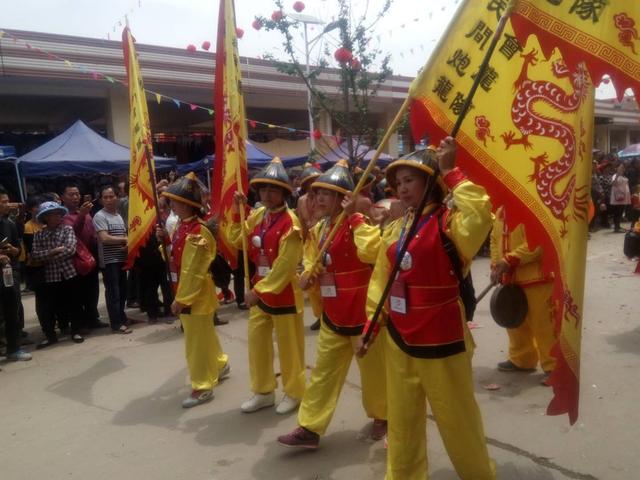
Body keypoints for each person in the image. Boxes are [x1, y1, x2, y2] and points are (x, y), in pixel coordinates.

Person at [360, 140, 495, 480]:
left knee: (457, 419)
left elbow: (481, 215)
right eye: (399, 182)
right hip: (399, 339)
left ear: (430, 182)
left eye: (410, 180)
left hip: (442, 338)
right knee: (403, 422)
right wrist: (372, 324)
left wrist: (452, 171)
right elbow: (380, 279)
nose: (402, 188)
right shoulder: (397, 227)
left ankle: (479, 475)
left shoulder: (450, 224)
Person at [277, 160, 387, 449]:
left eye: (327, 194)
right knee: (323, 374)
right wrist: (307, 276)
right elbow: (313, 262)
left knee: (374, 371)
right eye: (317, 194)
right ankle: (310, 427)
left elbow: (373, 252)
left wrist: (354, 218)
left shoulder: (357, 224)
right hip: (333, 313)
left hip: (362, 312)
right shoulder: (318, 230)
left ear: (343, 198)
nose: (319, 199)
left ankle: (383, 415)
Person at [229, 157, 306, 415]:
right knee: (257, 343)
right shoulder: (258, 215)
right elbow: (237, 241)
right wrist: (237, 213)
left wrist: (258, 290)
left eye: (273, 189)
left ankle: (294, 392)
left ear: (284, 193)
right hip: (259, 293)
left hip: (281, 293)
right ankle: (263, 391)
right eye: (263, 189)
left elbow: (285, 267)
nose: (267, 194)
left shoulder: (291, 224)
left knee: (289, 348)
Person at [159, 172, 230, 408]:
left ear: (189, 205)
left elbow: (194, 270)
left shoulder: (197, 232)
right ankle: (220, 364)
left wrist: (182, 299)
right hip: (192, 291)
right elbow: (178, 259)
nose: (172, 204)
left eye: (176, 201)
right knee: (204, 335)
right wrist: (166, 242)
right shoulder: (183, 226)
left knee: (195, 344)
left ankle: (202, 386)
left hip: (195, 294)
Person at [491, 205, 557, 385]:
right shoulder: (499, 212)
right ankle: (522, 359)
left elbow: (540, 241)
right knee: (514, 322)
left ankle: (554, 367)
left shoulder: (534, 208)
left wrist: (510, 259)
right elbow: (494, 239)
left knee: (544, 324)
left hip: (537, 277)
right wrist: (496, 265)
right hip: (511, 279)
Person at [31, 201, 85, 348]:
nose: (58, 216)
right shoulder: (39, 235)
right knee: (50, 307)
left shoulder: (67, 229)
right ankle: (51, 336)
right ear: (46, 217)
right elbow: (35, 255)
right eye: (53, 214)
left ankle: (76, 331)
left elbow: (70, 250)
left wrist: (48, 256)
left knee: (74, 304)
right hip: (50, 277)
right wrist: (54, 251)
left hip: (69, 273)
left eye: (58, 213)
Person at [61, 182, 107, 330]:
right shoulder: (63, 216)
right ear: (63, 197)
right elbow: (74, 232)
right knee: (80, 292)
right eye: (71, 194)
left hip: (91, 257)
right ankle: (82, 322)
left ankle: (93, 318)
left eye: (77, 194)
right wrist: (80, 215)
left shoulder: (86, 213)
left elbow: (92, 232)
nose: (75, 197)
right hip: (77, 259)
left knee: (93, 290)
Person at [0, 185, 32, 361]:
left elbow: (19, 251)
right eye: (3, 202)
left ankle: (14, 349)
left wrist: (12, 250)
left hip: (9, 275)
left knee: (12, 313)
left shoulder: (9, 224)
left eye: (7, 201)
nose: (8, 205)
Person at [93, 185, 131, 334]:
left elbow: (122, 239)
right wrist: (125, 239)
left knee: (122, 291)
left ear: (117, 197)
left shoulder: (118, 215)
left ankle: (122, 317)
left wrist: (126, 244)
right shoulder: (100, 216)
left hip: (121, 258)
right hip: (109, 261)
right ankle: (115, 323)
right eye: (105, 197)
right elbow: (104, 238)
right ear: (101, 200)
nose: (108, 200)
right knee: (113, 292)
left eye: (111, 196)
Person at [295, 162, 323, 331]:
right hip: (310, 242)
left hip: (324, 238)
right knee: (312, 285)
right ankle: (319, 315)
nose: (312, 185)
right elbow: (302, 223)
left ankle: (328, 314)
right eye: (309, 183)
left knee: (325, 280)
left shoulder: (325, 198)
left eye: (315, 181)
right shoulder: (301, 200)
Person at [610, 163, 631, 232]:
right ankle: (616, 228)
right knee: (617, 212)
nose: (622, 169)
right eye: (621, 167)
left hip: (624, 197)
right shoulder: (615, 175)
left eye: (623, 167)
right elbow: (613, 184)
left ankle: (618, 226)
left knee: (620, 212)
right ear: (617, 168)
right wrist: (617, 175)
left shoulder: (624, 176)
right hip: (617, 197)